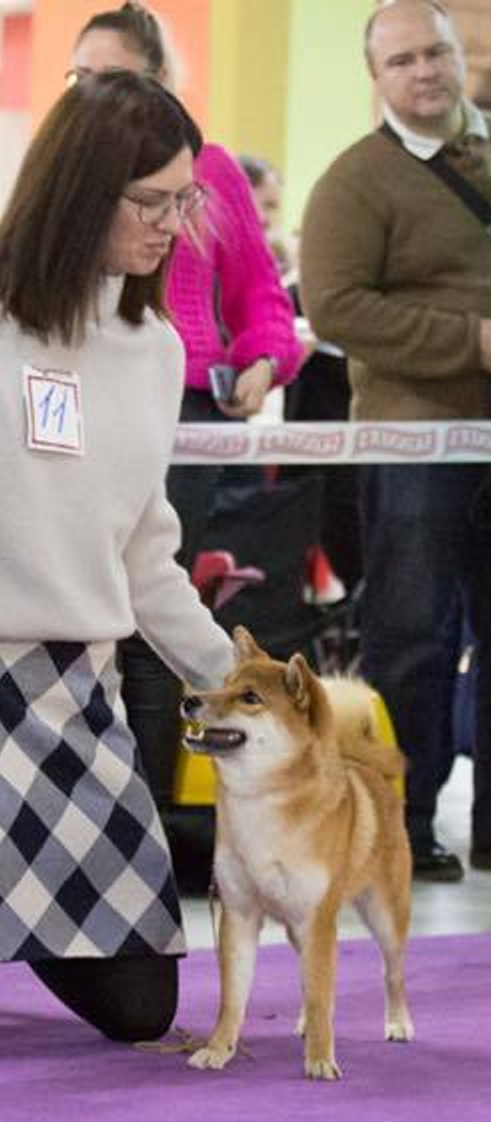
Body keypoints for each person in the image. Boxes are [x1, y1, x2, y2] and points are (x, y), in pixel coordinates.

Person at [0, 71, 234, 1040]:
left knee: (144, 1010)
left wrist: (238, 676)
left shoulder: (156, 350)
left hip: (77, 702)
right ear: (80, 189)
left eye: (183, 198)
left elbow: (148, 552)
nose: (171, 224)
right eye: (148, 200)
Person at [301, 0, 491, 882]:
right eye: (401, 60)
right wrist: (461, 340)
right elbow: (335, 307)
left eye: (435, 52)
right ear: (379, 78)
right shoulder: (353, 181)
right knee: (412, 637)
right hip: (412, 445)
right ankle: (403, 823)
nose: (424, 71)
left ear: (457, 55)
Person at [72, 3, 304, 861]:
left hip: (194, 413)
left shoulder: (210, 177)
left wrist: (262, 360)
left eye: (112, 78)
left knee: (151, 628)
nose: (171, 224)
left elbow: (263, 300)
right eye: (78, 80)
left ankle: (143, 833)